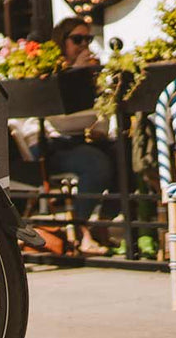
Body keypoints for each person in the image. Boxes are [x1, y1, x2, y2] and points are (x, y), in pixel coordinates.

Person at [12, 17, 118, 256]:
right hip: (52, 144)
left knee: (127, 157)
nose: (83, 44)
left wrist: (96, 82)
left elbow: (102, 113)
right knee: (95, 163)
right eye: (77, 39)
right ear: (62, 41)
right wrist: (75, 74)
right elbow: (56, 117)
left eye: (88, 39)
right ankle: (79, 230)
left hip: (84, 140)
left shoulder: (92, 72)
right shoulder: (48, 71)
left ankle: (102, 223)